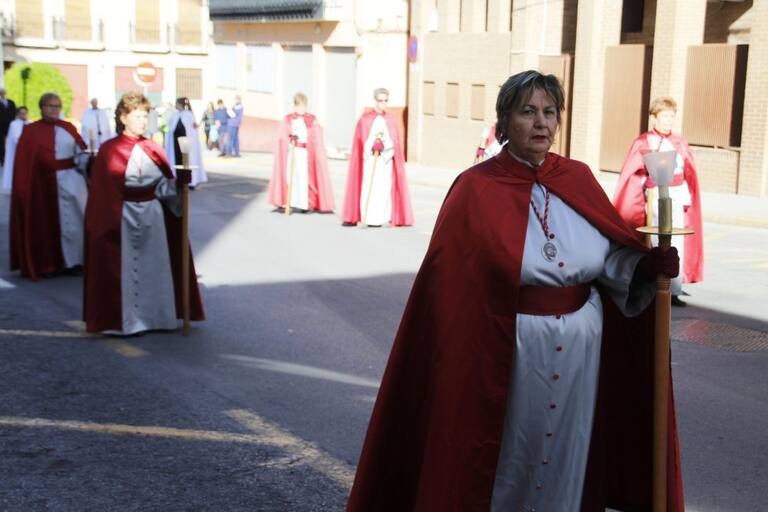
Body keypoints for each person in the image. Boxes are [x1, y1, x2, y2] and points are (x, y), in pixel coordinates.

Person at [346, 71, 684, 512]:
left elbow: (607, 259)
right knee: (508, 452)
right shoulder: (476, 187)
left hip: (583, 348)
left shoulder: (578, 178)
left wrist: (645, 267)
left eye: (550, 112)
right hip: (508, 348)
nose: (541, 122)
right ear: (505, 121)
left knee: (570, 449)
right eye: (528, 112)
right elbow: (449, 287)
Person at [83, 92, 205, 335]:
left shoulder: (153, 148)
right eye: (137, 116)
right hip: (122, 217)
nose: (143, 121)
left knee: (154, 269)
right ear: (123, 118)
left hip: (153, 216)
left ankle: (156, 318)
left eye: (145, 116)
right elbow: (102, 194)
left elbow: (164, 189)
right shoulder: (109, 149)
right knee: (124, 270)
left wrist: (180, 182)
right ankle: (126, 322)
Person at [613, 96, 703, 307]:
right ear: (654, 118)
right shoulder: (644, 142)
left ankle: (673, 289)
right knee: (656, 240)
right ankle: (654, 286)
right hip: (654, 197)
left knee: (676, 241)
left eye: (672, 116)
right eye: (664, 116)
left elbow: (688, 171)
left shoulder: (679, 142)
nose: (669, 120)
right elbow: (633, 173)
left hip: (677, 195)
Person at [9, 93, 89, 280]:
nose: (54, 109)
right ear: (42, 108)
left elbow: (81, 152)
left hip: (71, 182)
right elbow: (24, 164)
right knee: (45, 227)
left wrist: (88, 160)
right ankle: (48, 264)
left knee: (75, 225)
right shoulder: (31, 131)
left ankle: (73, 262)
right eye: (50, 106)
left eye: (57, 106)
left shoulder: (68, 128)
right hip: (42, 186)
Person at [340, 87, 413, 227]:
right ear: (375, 101)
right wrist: (372, 146)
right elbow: (361, 141)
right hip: (370, 160)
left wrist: (384, 147)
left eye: (386, 100)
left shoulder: (390, 120)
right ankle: (368, 217)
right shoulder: (366, 119)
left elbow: (394, 142)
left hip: (385, 161)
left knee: (384, 189)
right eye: (381, 100)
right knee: (369, 187)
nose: (383, 103)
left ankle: (382, 218)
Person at [268, 93, 335, 214]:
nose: (301, 109)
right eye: (299, 106)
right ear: (295, 106)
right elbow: (282, 137)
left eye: (303, 106)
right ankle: (288, 202)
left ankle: (306, 204)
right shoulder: (288, 119)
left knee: (304, 179)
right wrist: (290, 139)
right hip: (292, 152)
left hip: (305, 153)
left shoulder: (311, 119)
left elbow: (316, 137)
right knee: (291, 177)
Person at [164, 97, 207, 187]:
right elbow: (171, 128)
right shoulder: (175, 115)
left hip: (186, 143)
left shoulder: (189, 115)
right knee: (178, 162)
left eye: (176, 103)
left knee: (187, 162)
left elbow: (192, 130)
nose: (175, 105)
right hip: (176, 143)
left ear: (180, 104)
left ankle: (189, 181)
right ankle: (178, 179)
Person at [1, 106, 29, 192]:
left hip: (27, 151)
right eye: (22, 113)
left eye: (25, 113)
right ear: (18, 114)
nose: (23, 115)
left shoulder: (30, 123)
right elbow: (14, 137)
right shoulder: (14, 124)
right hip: (17, 151)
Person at [0, 87, 17, 165]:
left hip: (10, 125)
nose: (2, 94)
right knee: (1, 143)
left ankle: (12, 157)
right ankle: (2, 159)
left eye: (3, 92)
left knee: (11, 141)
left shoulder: (11, 102)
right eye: (1, 93)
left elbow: (14, 112)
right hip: (1, 126)